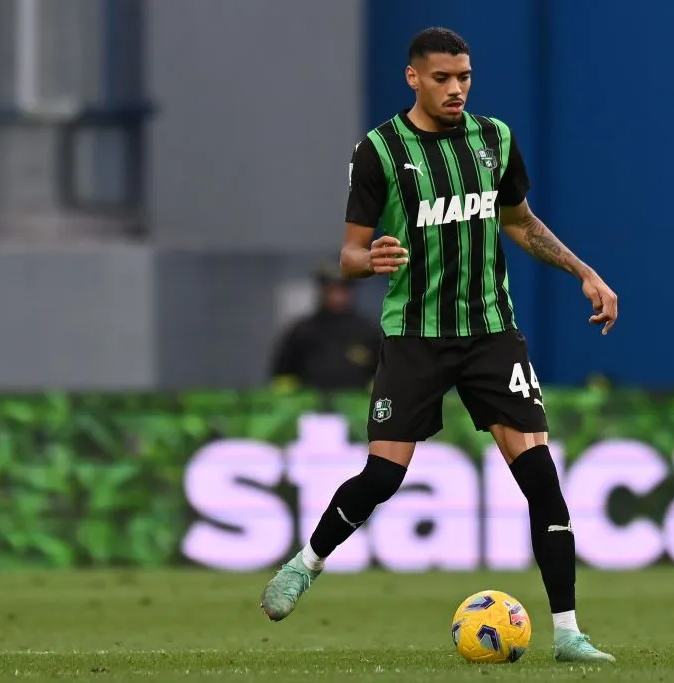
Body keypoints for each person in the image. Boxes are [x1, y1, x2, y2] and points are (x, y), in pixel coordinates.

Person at [260, 27, 619, 663]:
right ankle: (307, 563)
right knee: (381, 477)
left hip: (489, 332)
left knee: (541, 478)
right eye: (443, 79)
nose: (456, 90)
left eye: (465, 77)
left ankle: (567, 633)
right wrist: (366, 259)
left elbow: (519, 222)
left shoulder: (494, 140)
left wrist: (585, 272)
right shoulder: (379, 151)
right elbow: (346, 252)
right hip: (414, 337)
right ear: (413, 78)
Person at [269, 262, 381, 391]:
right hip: (309, 407)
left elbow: (383, 374)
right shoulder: (302, 331)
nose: (336, 296)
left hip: (358, 407)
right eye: (330, 290)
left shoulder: (368, 331)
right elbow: (282, 374)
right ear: (322, 291)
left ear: (351, 292)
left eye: (342, 290)